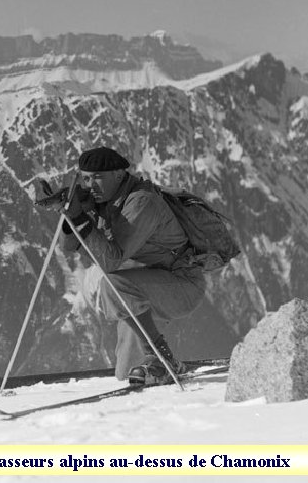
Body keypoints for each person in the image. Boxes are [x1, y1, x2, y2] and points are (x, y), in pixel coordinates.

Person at [50, 146, 206, 385]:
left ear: (120, 175)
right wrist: (71, 217)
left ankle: (162, 360)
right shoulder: (106, 201)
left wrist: (81, 217)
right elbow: (68, 247)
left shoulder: (142, 202)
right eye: (86, 178)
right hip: (141, 285)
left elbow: (111, 260)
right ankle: (156, 367)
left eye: (98, 177)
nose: (91, 185)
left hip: (181, 283)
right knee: (128, 377)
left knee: (113, 285)